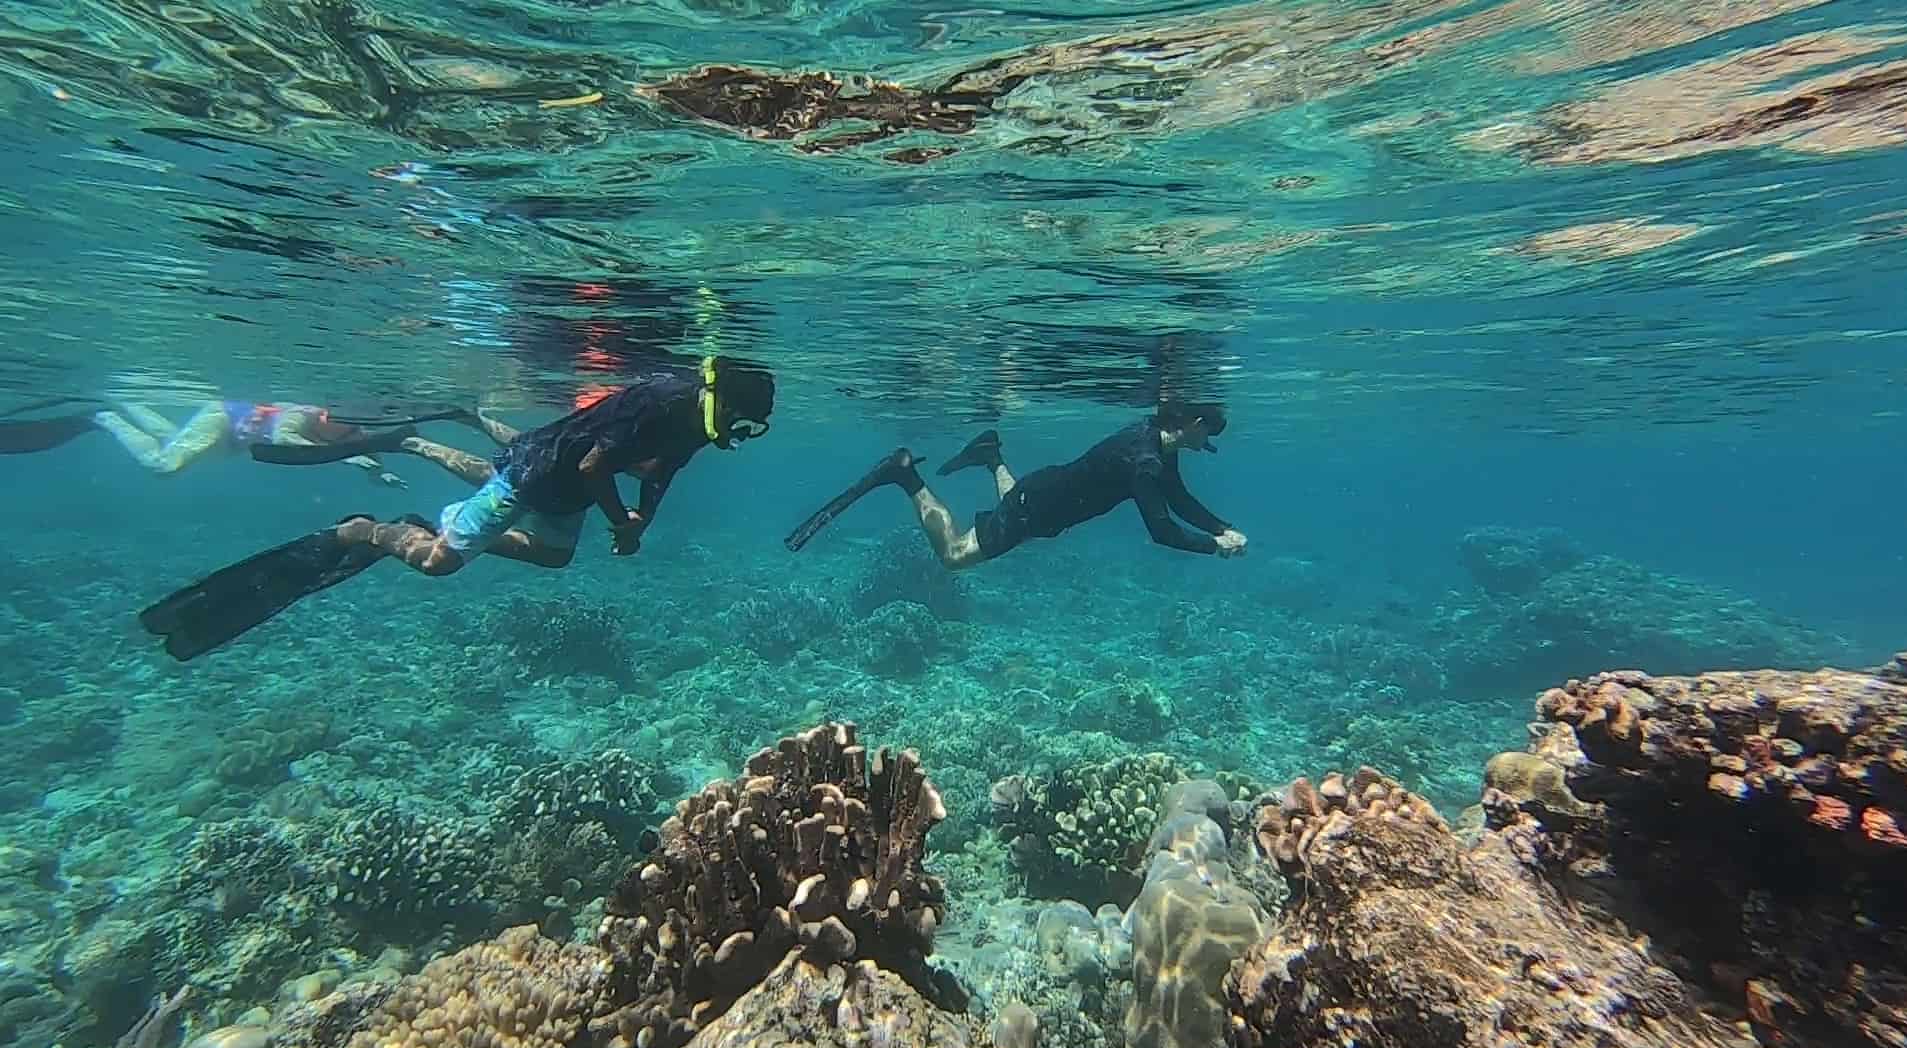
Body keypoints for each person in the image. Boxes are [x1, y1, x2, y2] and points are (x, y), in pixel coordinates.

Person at [140, 358, 776, 660]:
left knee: (553, 555)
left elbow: (661, 472)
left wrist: (644, 518)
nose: (740, 437)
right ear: (732, 406)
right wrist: (621, 524)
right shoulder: (666, 404)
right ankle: (370, 529)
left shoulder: (696, 422)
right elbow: (593, 465)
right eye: (745, 425)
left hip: (552, 477)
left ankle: (419, 446)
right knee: (443, 561)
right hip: (535, 480)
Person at [785, 400, 1247, 567]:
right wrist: (1214, 548)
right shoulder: (1145, 462)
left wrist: (1221, 526)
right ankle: (904, 475)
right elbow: (1162, 530)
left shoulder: (1149, 437)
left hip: (1042, 494)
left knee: (1016, 496)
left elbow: (1180, 498)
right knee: (954, 557)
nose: (1212, 440)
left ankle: (992, 456)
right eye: (1213, 430)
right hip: (1036, 507)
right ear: (1194, 422)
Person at [0, 396, 415, 487]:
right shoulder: (303, 414)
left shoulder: (355, 430)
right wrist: (344, 457)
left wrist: (380, 476)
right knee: (163, 465)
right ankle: (105, 417)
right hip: (225, 420)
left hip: (232, 440)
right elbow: (283, 439)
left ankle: (130, 402)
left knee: (172, 440)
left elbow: (366, 455)